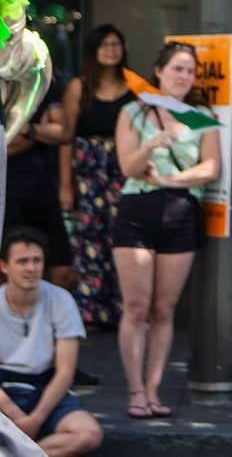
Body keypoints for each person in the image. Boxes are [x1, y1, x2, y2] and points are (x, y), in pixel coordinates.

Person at [113, 40, 221, 419]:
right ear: (158, 71)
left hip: (180, 209)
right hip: (137, 208)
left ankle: (155, 389)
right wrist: (152, 145)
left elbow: (211, 168)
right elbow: (127, 166)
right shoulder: (133, 111)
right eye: (177, 68)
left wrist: (171, 180)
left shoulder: (199, 115)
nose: (184, 77)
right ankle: (136, 389)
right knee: (137, 307)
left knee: (163, 308)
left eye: (190, 71)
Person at [0, 226, 104, 456]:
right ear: (4, 266)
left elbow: (65, 372)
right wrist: (17, 417)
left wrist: (36, 419)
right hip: (3, 392)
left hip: (44, 388)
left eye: (37, 260)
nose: (31, 268)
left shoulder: (60, 299)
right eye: (22, 261)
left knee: (88, 434)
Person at [59, 23, 134, 328]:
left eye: (116, 44)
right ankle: (89, 312)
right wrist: (66, 185)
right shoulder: (79, 86)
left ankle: (121, 310)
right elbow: (66, 138)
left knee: (122, 238)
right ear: (93, 50)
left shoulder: (134, 87)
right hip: (87, 173)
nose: (111, 50)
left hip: (123, 169)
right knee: (88, 241)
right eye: (104, 45)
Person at [4, 82, 74, 290]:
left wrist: (26, 128)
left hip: (44, 191)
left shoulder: (42, 85)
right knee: (6, 270)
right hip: (8, 194)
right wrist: (40, 132)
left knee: (63, 272)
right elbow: (4, 148)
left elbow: (63, 132)